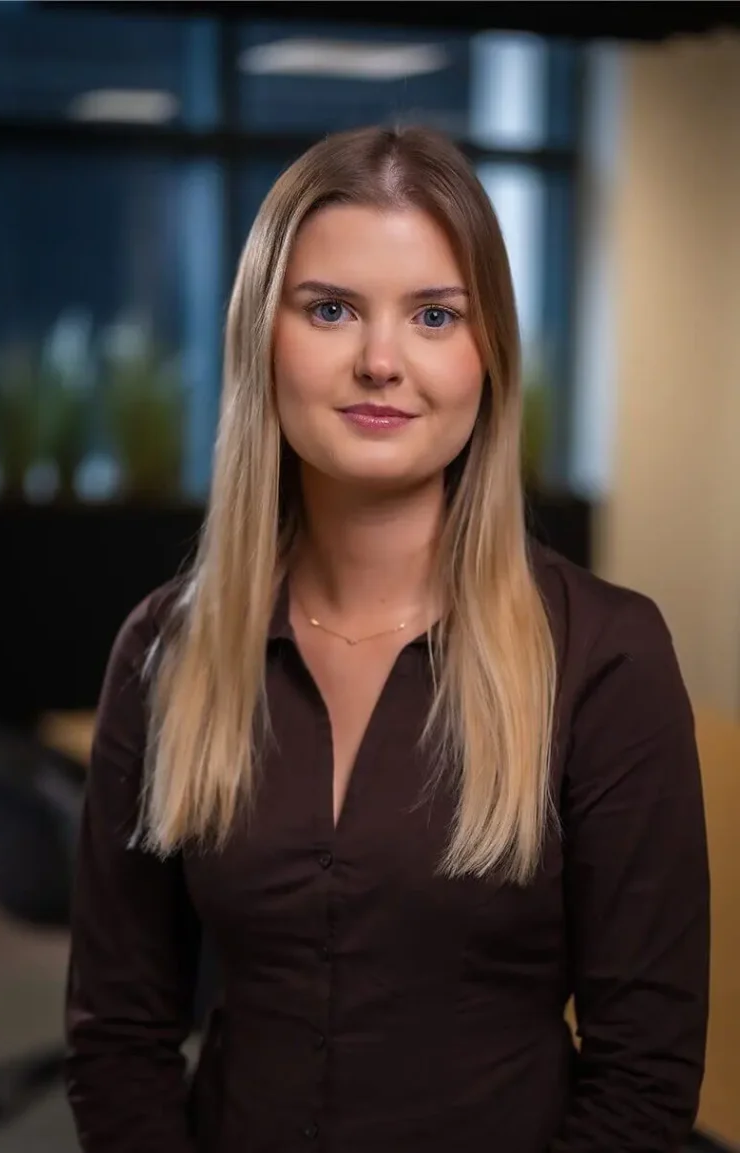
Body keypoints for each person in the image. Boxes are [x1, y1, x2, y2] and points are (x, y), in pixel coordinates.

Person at [65, 125, 710, 1153]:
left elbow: (645, 1077)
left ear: (487, 349)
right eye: (330, 309)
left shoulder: (606, 657)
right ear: (260, 337)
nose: (379, 360)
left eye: (433, 315)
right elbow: (117, 1037)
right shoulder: (167, 648)